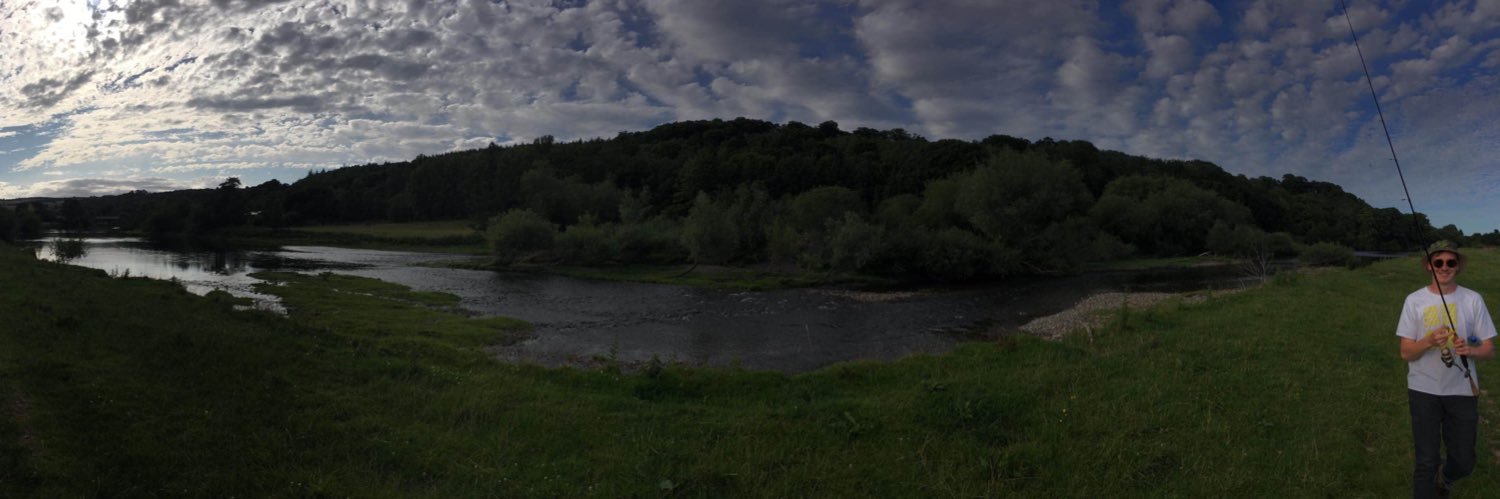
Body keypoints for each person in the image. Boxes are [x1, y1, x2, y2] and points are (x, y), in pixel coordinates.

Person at [1397, 241, 1497, 498]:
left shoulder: (1473, 299)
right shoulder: (1414, 301)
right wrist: (1429, 341)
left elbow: (1488, 349)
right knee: (1426, 462)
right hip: (1423, 389)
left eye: (1450, 262)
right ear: (1429, 265)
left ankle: (1447, 476)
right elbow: (1406, 352)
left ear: (1458, 266)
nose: (1444, 267)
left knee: (1464, 461)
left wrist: (1470, 350)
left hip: (1462, 389)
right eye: (1438, 262)